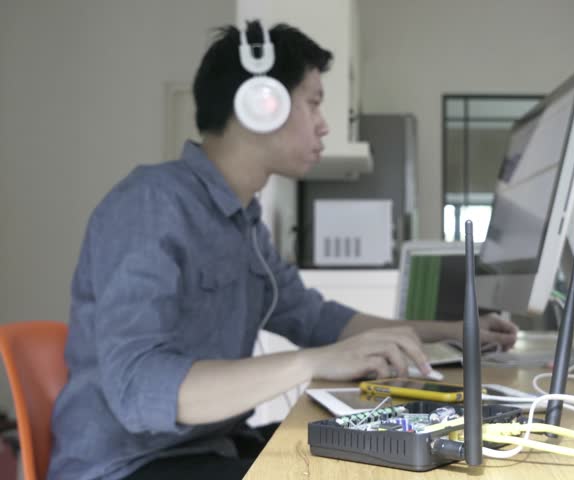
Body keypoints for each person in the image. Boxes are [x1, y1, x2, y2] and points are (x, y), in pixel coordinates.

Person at [47, 20, 517, 480]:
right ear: (261, 104)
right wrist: (311, 361)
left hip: (210, 447)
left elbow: (317, 320)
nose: (324, 125)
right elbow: (139, 388)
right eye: (313, 103)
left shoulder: (244, 223)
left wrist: (455, 331)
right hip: (131, 466)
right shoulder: (151, 205)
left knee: (381, 455)